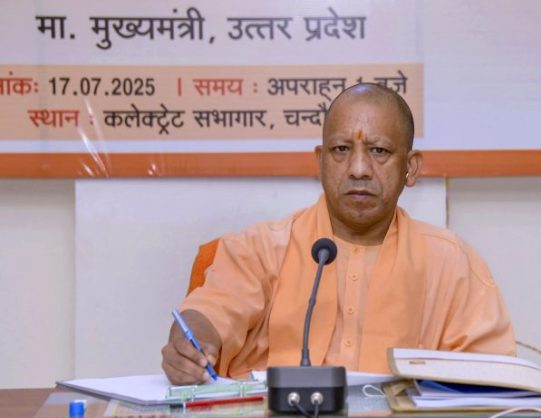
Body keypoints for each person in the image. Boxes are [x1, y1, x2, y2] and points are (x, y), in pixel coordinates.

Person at [162, 83, 515, 385]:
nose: (359, 169)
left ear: (410, 167)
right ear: (320, 161)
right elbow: (210, 313)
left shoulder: (450, 263)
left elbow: (490, 381)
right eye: (341, 150)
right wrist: (192, 344)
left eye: (379, 151)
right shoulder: (259, 249)